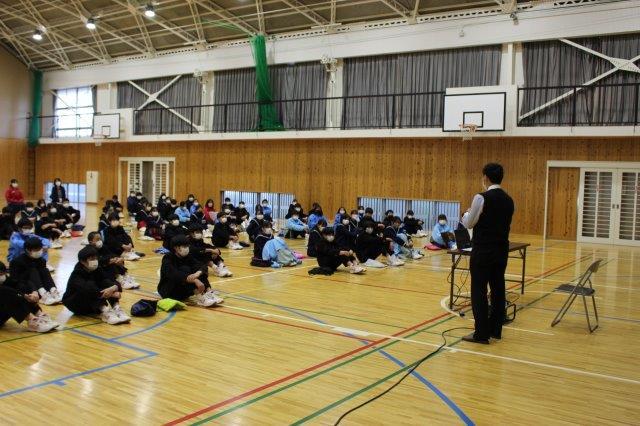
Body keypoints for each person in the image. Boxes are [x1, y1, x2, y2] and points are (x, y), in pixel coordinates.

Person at [461, 163, 514, 344]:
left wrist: (466, 214)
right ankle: (495, 330)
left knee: (479, 291)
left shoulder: (481, 197)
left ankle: (481, 334)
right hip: (501, 251)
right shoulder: (509, 200)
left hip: (483, 251)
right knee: (498, 289)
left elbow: (469, 223)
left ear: (485, 177)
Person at [62, 246, 131, 325]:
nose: (95, 261)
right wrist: (111, 294)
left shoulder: (97, 269)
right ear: (82, 261)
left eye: (96, 258)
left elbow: (109, 280)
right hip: (76, 304)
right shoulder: (77, 274)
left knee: (106, 284)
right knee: (90, 286)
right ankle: (105, 311)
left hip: (92, 303)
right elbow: (88, 290)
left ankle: (116, 307)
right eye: (92, 259)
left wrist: (114, 288)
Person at [157, 235, 223, 307]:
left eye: (187, 246)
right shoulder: (168, 258)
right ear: (176, 248)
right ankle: (200, 298)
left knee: (198, 270)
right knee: (185, 270)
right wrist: (194, 280)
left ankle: (209, 292)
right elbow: (174, 274)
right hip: (169, 291)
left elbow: (202, 266)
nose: (187, 248)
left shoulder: (188, 257)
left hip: (184, 291)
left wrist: (197, 274)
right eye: (184, 246)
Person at [0, 261, 59, 333]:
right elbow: (6, 290)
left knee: (21, 288)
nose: (2, 276)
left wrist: (34, 292)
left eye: (2, 274)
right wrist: (23, 295)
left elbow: (22, 283)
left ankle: (39, 315)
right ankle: (32, 321)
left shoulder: (5, 279)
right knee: (6, 293)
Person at [9, 238, 61, 305]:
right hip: (25, 286)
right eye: (36, 250)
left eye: (40, 249)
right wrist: (33, 290)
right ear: (28, 250)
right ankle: (43, 295)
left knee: (45, 270)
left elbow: (44, 276)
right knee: (33, 270)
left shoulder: (41, 260)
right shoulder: (16, 262)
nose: (39, 251)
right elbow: (15, 280)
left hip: (39, 285)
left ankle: (53, 290)